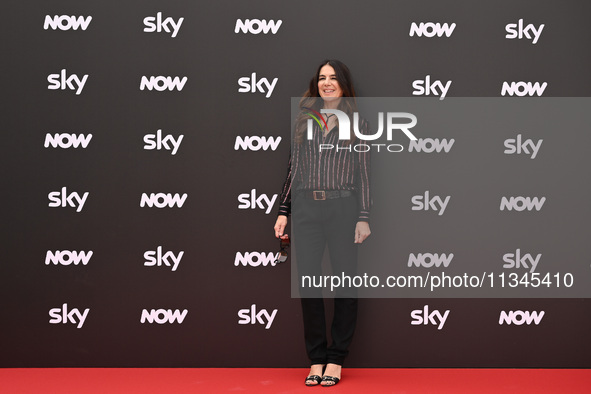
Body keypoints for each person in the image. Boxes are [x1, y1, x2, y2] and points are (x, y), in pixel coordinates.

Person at [274, 59, 371, 387]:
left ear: (344, 83)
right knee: (310, 286)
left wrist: (364, 217)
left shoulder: (358, 121)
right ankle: (316, 358)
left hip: (343, 209)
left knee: (346, 283)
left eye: (333, 78)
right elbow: (293, 168)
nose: (327, 83)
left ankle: (337, 358)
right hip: (307, 211)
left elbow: (365, 174)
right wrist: (283, 210)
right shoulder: (304, 120)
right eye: (322, 78)